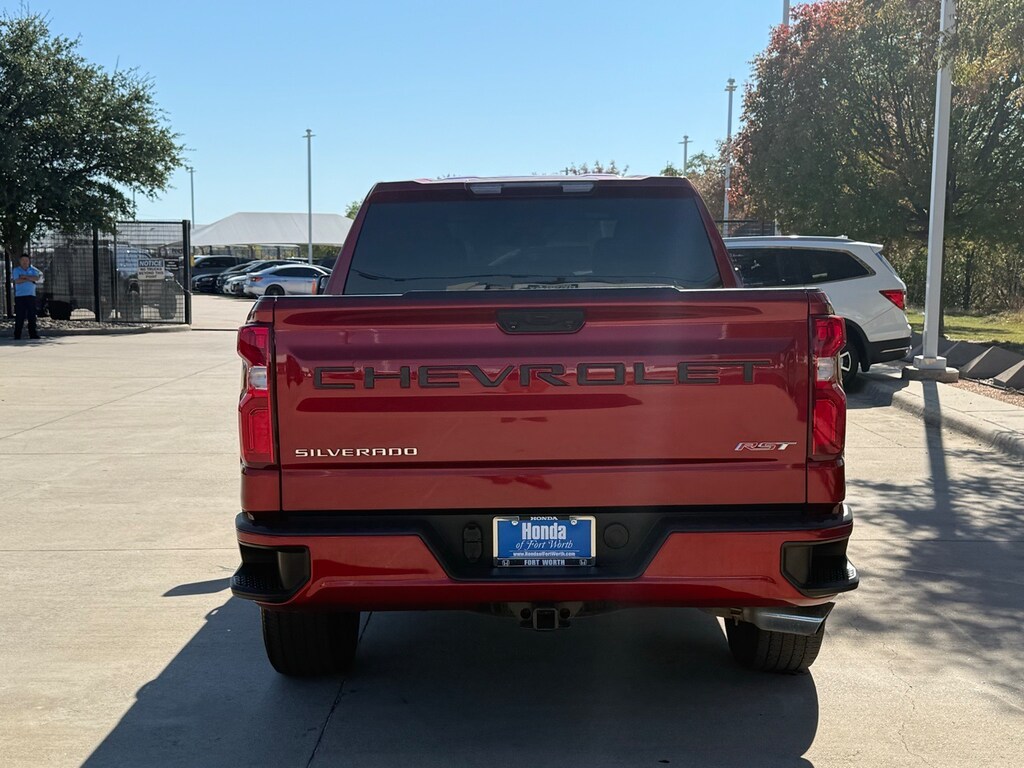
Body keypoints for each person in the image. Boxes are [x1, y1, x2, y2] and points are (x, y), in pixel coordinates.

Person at [12, 253, 44, 340]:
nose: (24, 262)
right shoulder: (16, 270)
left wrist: (25, 277)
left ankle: (33, 334)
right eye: (23, 260)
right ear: (20, 261)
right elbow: (17, 281)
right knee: (20, 316)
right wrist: (30, 278)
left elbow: (37, 278)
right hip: (20, 296)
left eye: (26, 260)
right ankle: (17, 334)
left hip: (31, 296)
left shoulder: (33, 270)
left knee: (32, 316)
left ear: (29, 261)